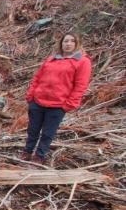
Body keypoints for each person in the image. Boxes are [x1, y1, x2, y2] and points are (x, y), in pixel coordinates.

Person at [21, 33, 92, 164]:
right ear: (61, 43)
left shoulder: (82, 61)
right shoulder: (51, 59)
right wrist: (30, 96)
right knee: (32, 130)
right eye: (66, 41)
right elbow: (37, 77)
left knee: (48, 133)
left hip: (58, 105)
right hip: (37, 101)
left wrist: (68, 105)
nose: (68, 44)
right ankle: (27, 152)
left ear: (77, 44)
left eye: (72, 41)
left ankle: (39, 156)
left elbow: (81, 86)